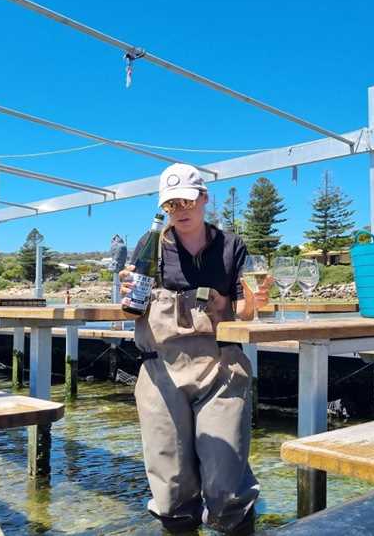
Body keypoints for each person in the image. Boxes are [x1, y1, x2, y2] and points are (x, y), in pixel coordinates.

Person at [119, 163, 271, 535]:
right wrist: (126, 293)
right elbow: (131, 308)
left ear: (204, 198)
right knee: (170, 489)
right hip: (160, 372)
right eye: (171, 204)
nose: (180, 210)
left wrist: (257, 301)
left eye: (186, 200)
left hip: (221, 369)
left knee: (226, 487)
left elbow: (245, 312)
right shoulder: (149, 245)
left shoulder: (232, 247)